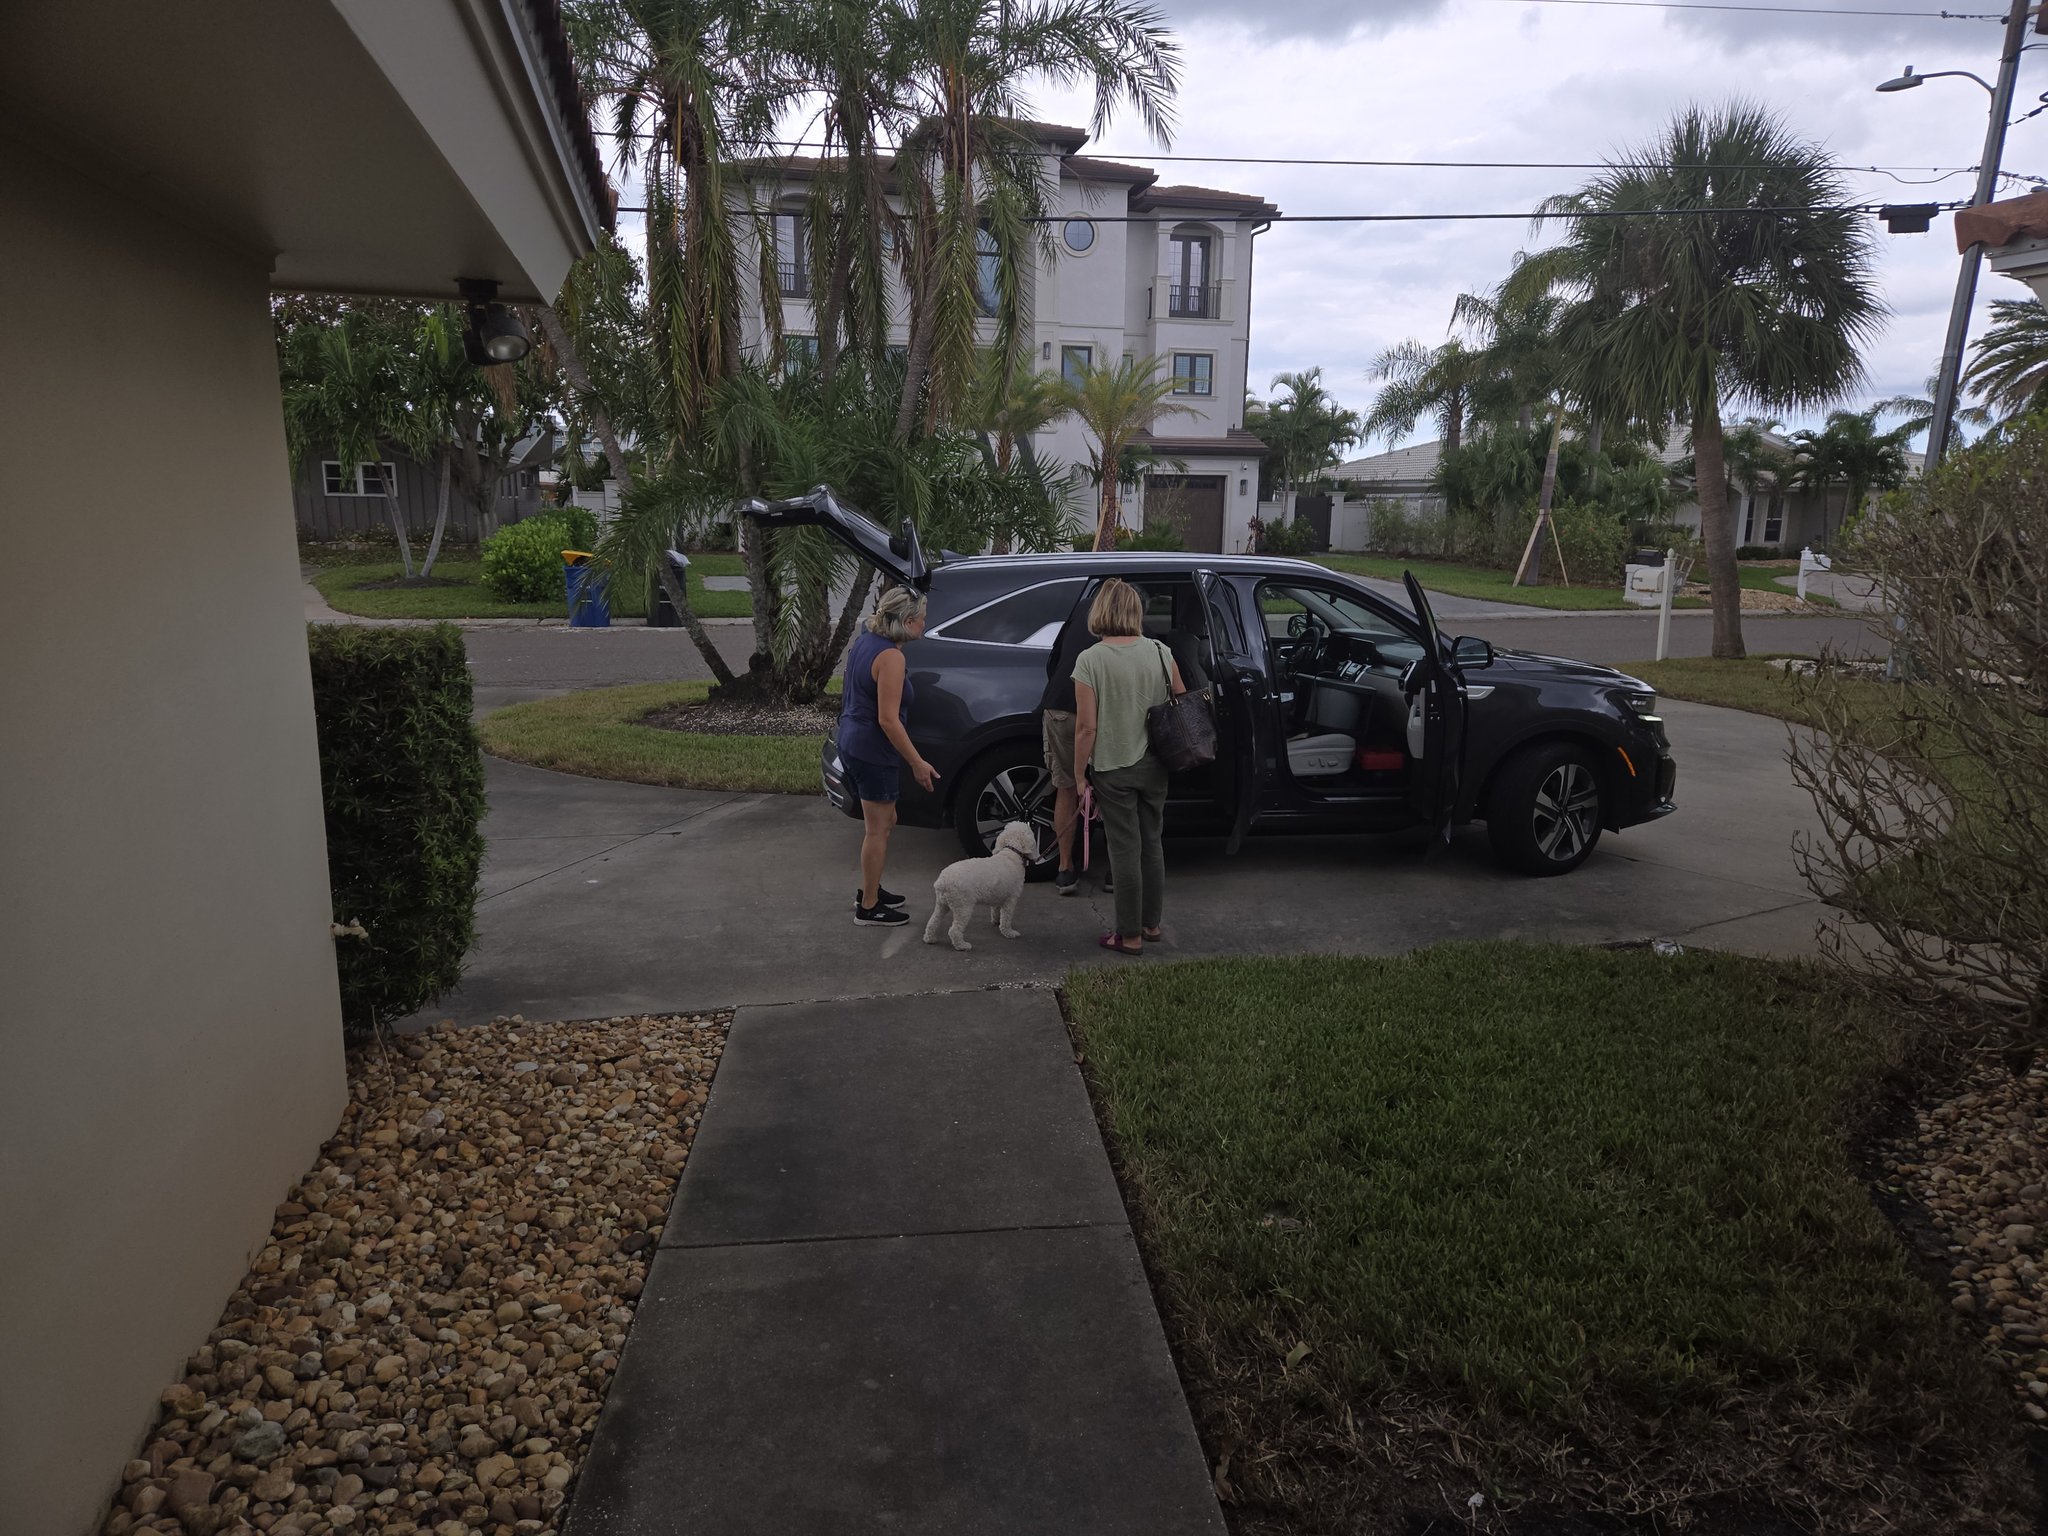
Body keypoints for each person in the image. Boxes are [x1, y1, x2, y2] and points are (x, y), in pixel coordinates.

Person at [1072, 578, 1184, 955]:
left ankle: (1128, 934)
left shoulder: (1090, 660)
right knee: (1152, 843)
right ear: (1136, 611)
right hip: (1155, 765)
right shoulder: (1160, 652)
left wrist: (1077, 775)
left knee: (1124, 850)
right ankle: (1152, 925)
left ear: (1101, 611)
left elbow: (1086, 727)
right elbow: (1181, 702)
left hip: (1113, 766)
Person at [838, 586, 939, 927]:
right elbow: (888, 720)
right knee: (877, 830)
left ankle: (871, 887)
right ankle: (868, 907)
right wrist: (917, 762)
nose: (925, 625)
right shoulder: (892, 658)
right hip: (871, 749)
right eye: (922, 619)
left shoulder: (867, 639)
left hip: (853, 740)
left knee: (886, 821)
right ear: (908, 621)